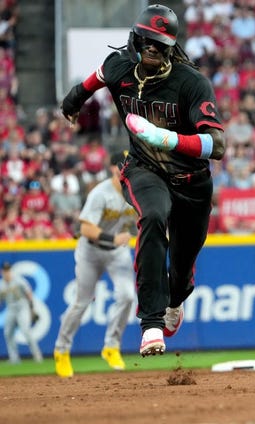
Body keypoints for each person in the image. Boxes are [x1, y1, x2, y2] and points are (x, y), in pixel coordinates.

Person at [59, 4, 226, 357]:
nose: (153, 48)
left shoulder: (190, 82)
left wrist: (166, 139)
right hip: (143, 169)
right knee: (152, 216)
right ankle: (150, 324)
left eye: (160, 43)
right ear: (135, 38)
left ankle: (174, 299)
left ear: (171, 47)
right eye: (147, 40)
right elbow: (91, 82)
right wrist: (72, 102)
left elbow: (218, 145)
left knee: (181, 271)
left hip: (192, 181)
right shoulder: (118, 66)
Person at [53, 152, 137, 378]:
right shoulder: (101, 193)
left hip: (117, 253)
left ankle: (111, 346)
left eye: (129, 165)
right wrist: (113, 239)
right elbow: (85, 229)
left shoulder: (135, 191)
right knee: (81, 302)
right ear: (112, 168)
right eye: (121, 166)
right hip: (90, 250)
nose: (125, 169)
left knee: (128, 296)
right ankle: (61, 351)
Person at [0, 261, 43, 364]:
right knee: (7, 333)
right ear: (2, 272)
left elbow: (28, 293)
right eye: (5, 270)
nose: (7, 272)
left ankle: (37, 356)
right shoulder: (1, 285)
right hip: (11, 308)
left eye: (8, 270)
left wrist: (32, 309)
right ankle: (14, 359)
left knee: (26, 331)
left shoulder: (18, 280)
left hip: (22, 307)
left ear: (10, 270)